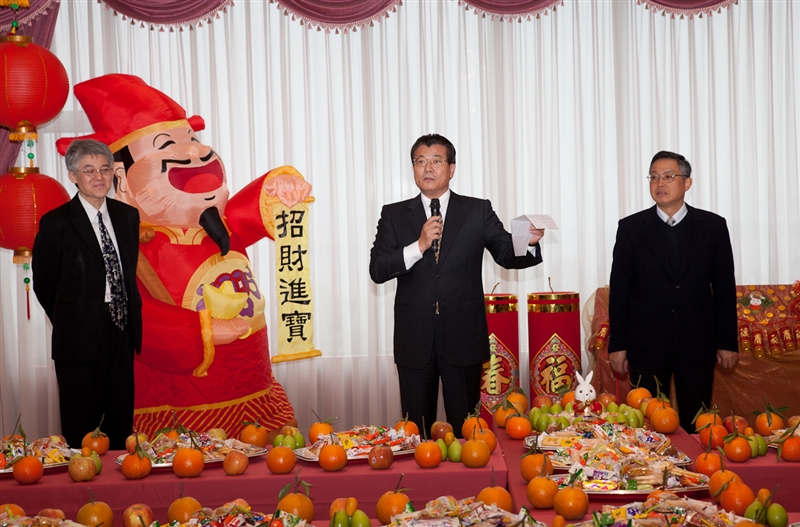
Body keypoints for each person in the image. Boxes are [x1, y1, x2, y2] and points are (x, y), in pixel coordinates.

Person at [54, 74, 306, 440]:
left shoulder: (220, 225)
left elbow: (250, 210)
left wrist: (277, 189)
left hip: (251, 388)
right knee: (185, 466)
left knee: (263, 460)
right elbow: (137, 317)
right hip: (182, 399)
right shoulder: (127, 246)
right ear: (121, 179)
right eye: (168, 144)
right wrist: (202, 332)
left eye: (193, 139)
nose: (195, 153)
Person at [370, 134, 545, 436]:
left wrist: (527, 242)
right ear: (413, 168)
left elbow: (505, 252)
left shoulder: (477, 210)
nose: (428, 168)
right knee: (416, 433)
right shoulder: (394, 214)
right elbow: (378, 269)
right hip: (415, 340)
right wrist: (419, 245)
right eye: (420, 161)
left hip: (463, 337)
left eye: (436, 161)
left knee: (468, 433)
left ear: (451, 169)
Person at [608, 150, 737, 431]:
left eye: (668, 176)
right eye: (654, 177)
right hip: (646, 343)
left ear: (687, 183)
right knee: (647, 425)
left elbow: (725, 288)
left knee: (697, 423)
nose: (660, 183)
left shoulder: (713, 227)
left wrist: (727, 342)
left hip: (697, 342)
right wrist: (617, 345)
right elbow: (619, 290)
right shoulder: (631, 228)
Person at [32, 139, 143, 450]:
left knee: (119, 419)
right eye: (89, 170)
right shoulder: (57, 222)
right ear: (73, 176)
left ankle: (120, 475)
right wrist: (72, 317)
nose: (99, 177)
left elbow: (128, 270)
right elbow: (44, 283)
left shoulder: (127, 216)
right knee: (81, 422)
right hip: (77, 335)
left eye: (105, 169)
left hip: (121, 329)